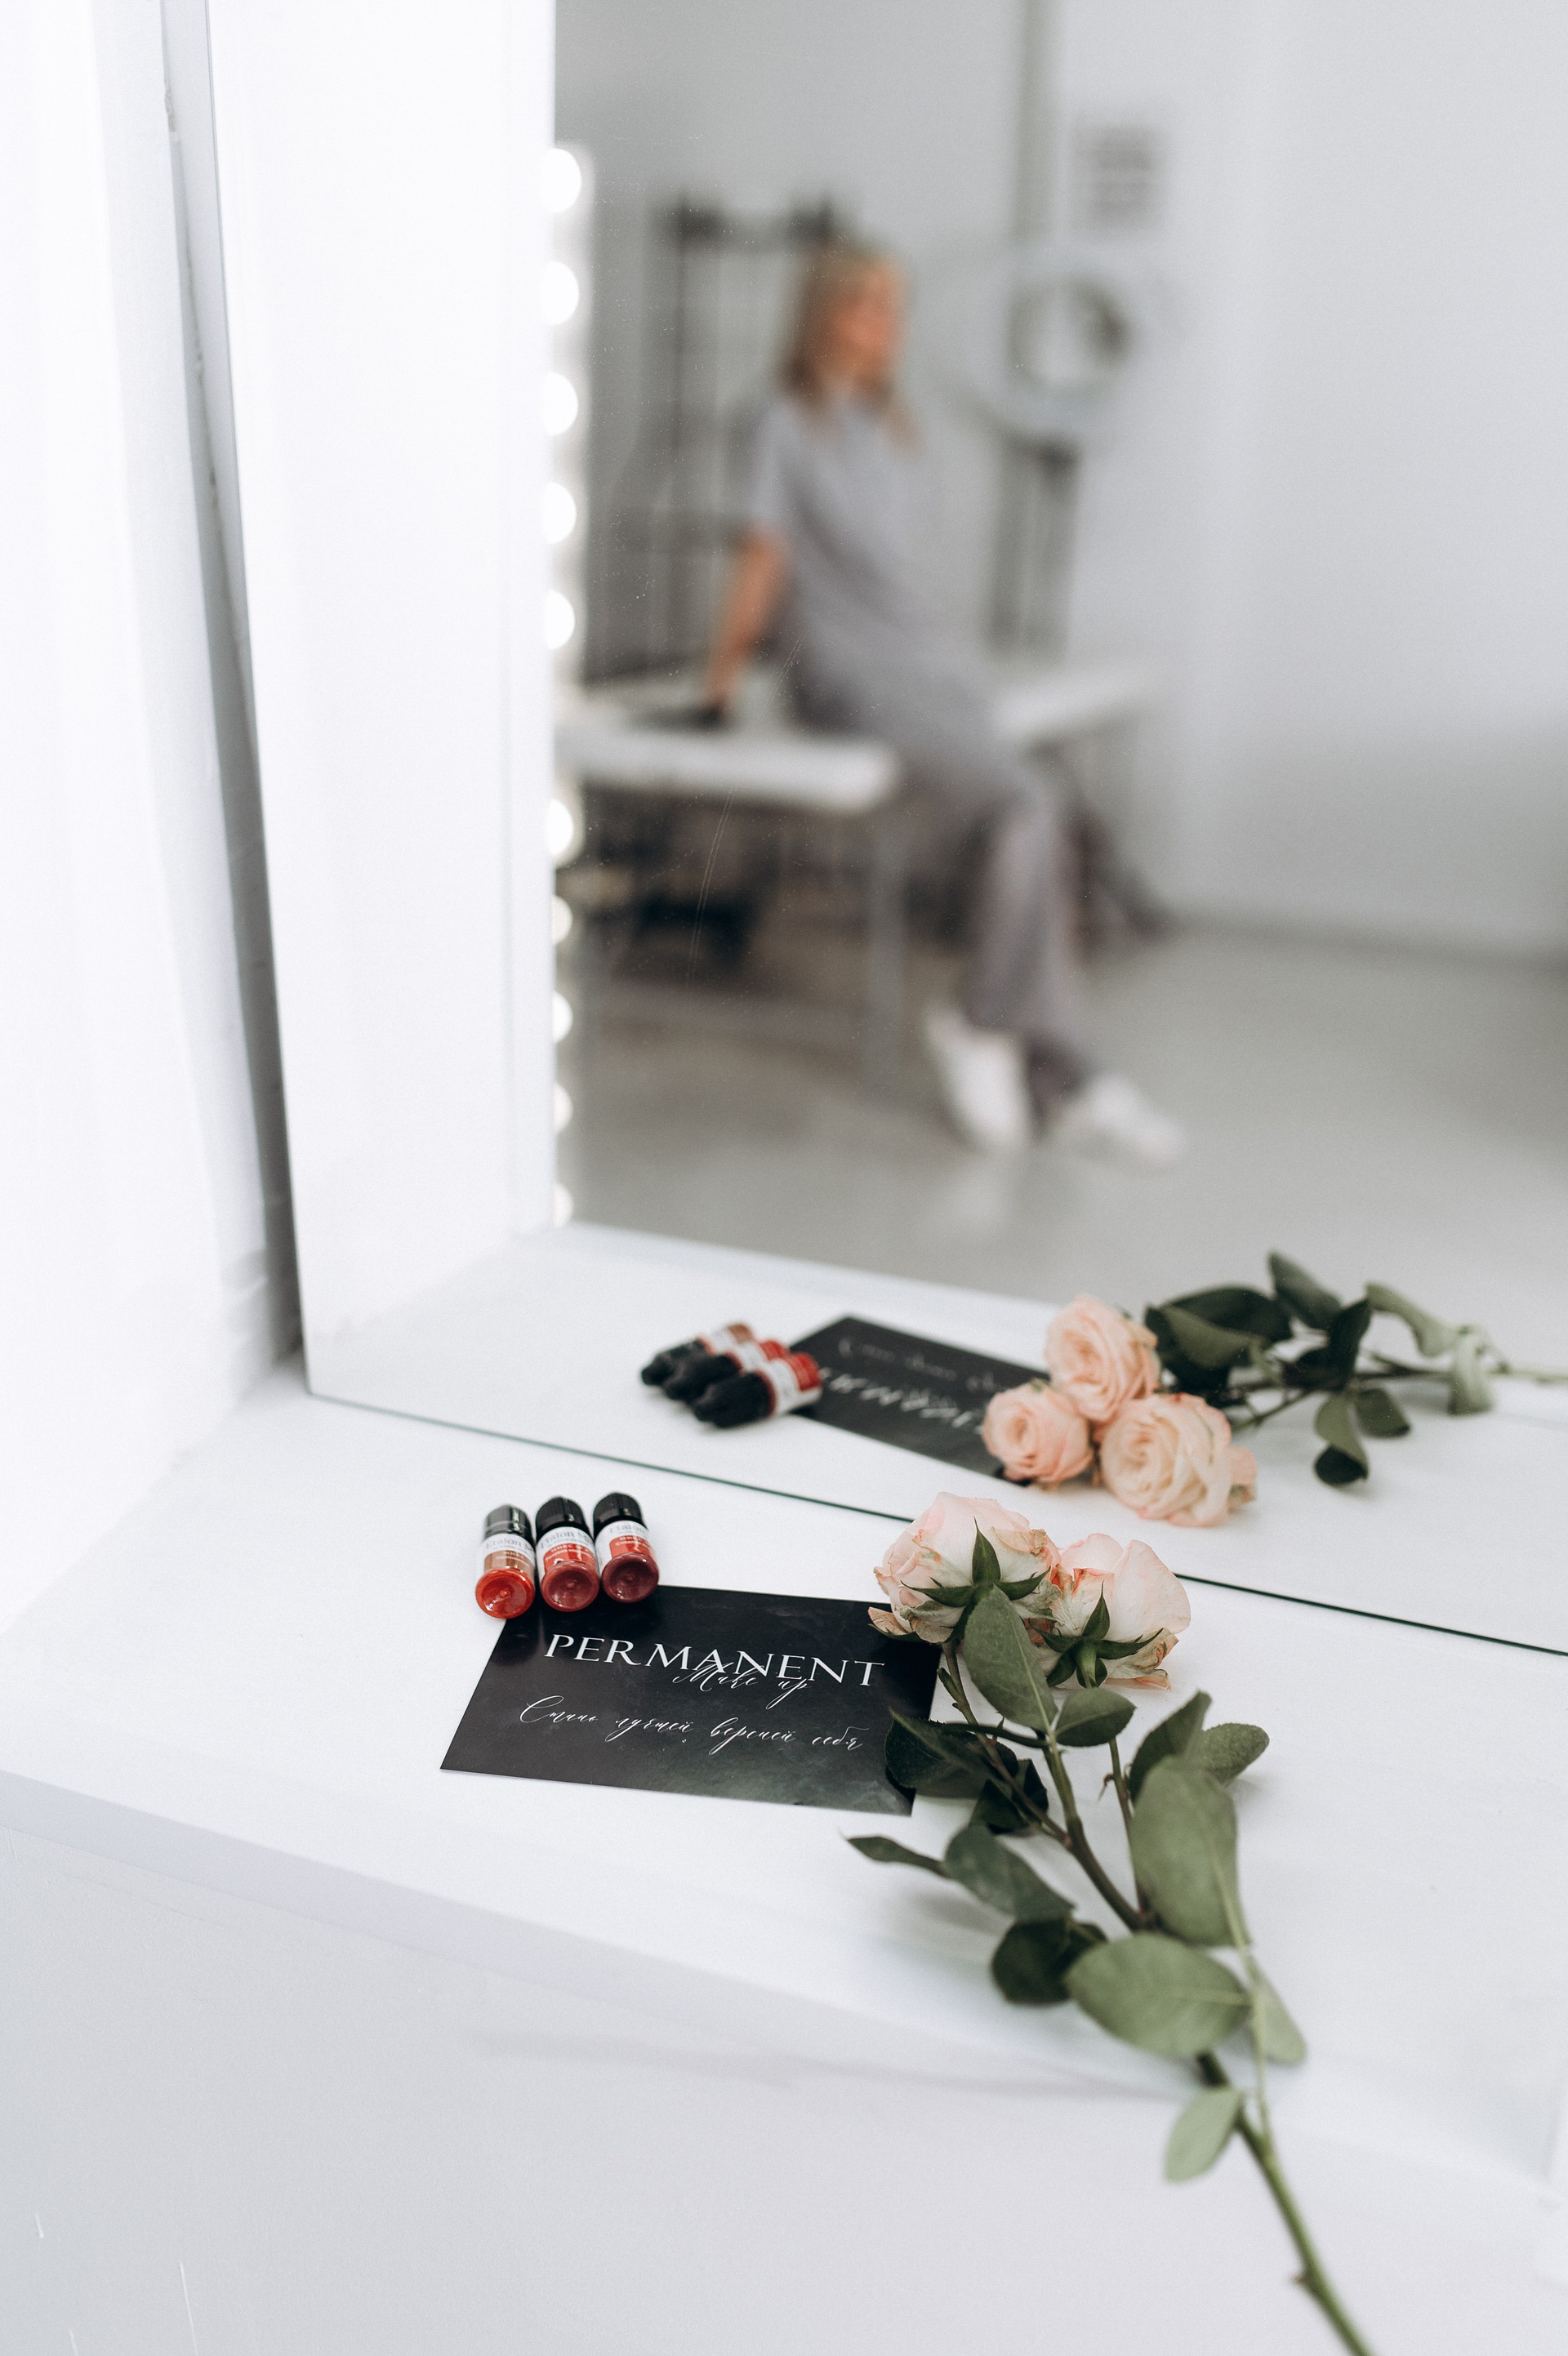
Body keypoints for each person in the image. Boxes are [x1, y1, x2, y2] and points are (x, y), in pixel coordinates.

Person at [701, 238, 1183, 1166]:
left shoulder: (889, 427)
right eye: (864, 305)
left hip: (926, 662)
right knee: (1027, 802)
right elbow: (761, 554)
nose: (884, 325)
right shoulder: (779, 421)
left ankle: (1036, 1056)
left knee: (1035, 815)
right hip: (846, 671)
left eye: (894, 307)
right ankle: (1018, 1043)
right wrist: (720, 683)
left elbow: (901, 578)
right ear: (821, 313)